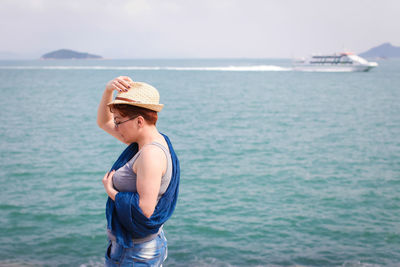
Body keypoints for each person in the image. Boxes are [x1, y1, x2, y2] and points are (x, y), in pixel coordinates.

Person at [97, 76, 180, 266]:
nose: (116, 126)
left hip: (135, 252)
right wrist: (108, 90)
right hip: (136, 246)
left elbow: (145, 209)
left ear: (139, 121)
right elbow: (104, 123)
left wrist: (111, 192)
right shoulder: (149, 141)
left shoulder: (150, 154)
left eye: (119, 121)